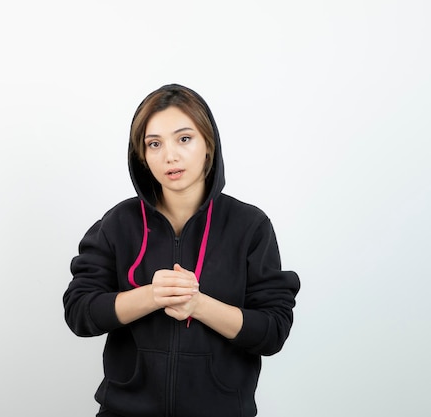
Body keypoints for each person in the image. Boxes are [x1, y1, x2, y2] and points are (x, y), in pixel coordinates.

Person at [63, 84, 300, 417]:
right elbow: (79, 312)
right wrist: (152, 296)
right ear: (142, 156)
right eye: (154, 144)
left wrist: (199, 305)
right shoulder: (119, 223)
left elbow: (272, 330)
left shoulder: (250, 226)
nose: (169, 156)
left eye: (184, 139)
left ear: (208, 144)